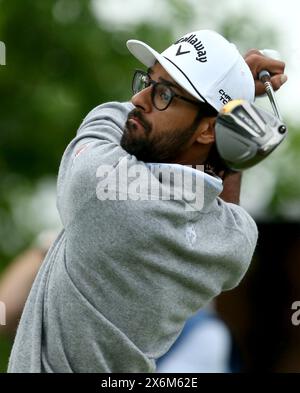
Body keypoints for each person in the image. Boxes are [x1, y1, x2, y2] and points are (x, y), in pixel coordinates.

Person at [7, 30, 286, 373]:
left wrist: (231, 97)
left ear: (208, 130)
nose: (140, 98)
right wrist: (235, 111)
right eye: (147, 81)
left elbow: (110, 117)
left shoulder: (100, 186)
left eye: (165, 94)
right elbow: (225, 188)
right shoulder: (234, 243)